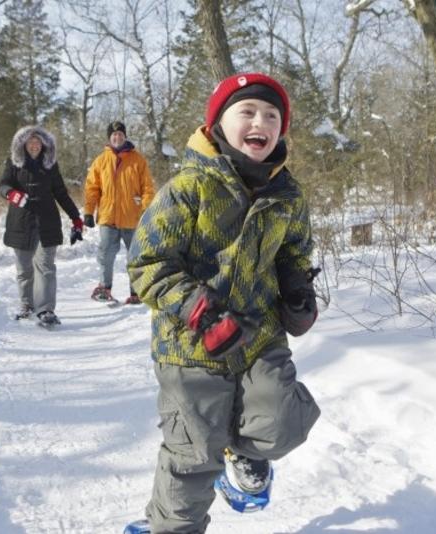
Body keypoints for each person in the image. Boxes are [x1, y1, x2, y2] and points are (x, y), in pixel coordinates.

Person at [127, 72, 321, 533]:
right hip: (192, 345)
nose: (261, 121)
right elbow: (147, 264)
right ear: (216, 124)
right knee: (194, 452)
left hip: (259, 338)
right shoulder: (187, 190)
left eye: (272, 115)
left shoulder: (287, 195)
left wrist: (297, 286)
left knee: (280, 422)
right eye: (248, 112)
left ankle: (245, 449)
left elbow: (295, 250)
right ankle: (168, 527)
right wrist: (200, 310)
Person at [0, 125, 84, 328]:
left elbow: (61, 193)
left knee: (45, 267)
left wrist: (76, 218)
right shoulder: (13, 163)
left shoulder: (50, 165)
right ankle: (27, 305)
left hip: (47, 222)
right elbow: (2, 185)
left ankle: (45, 309)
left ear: (44, 145)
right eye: (30, 142)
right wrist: (12, 194)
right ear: (24, 144)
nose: (34, 145)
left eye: (38, 142)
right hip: (21, 221)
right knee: (24, 268)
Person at [83, 120, 155, 304]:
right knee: (105, 254)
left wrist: (147, 210)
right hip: (108, 216)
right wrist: (89, 212)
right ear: (109, 137)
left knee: (135, 256)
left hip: (132, 217)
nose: (117, 137)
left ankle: (136, 292)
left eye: (120, 135)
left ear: (125, 137)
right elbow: (92, 189)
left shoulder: (138, 160)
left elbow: (147, 188)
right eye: (114, 135)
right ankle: (104, 289)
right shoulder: (100, 161)